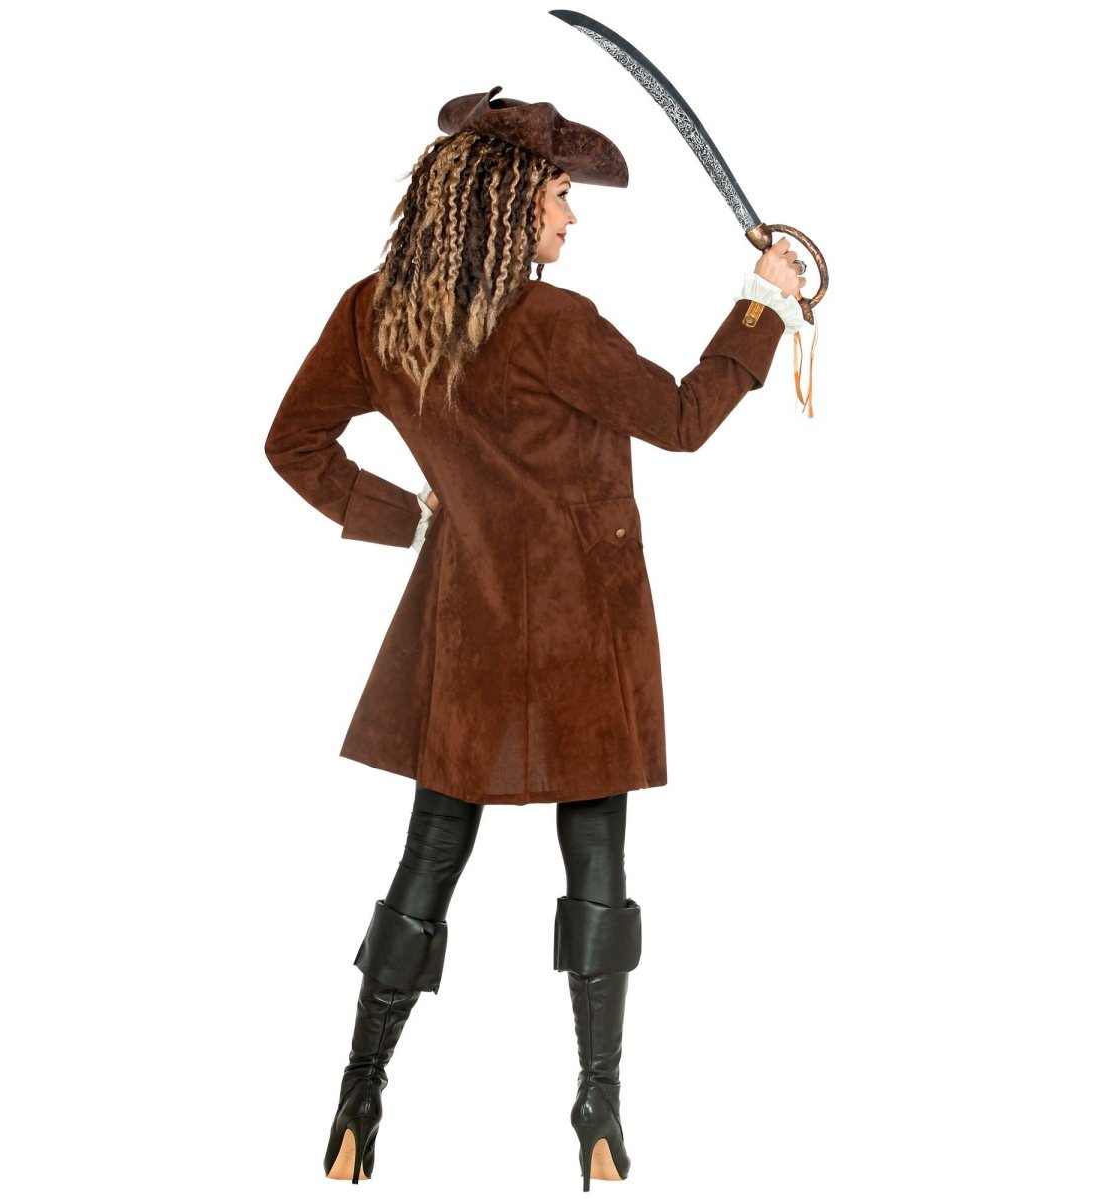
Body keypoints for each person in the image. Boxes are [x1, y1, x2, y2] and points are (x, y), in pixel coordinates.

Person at [264, 85, 804, 1190]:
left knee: (427, 859)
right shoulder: (556, 325)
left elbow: (295, 443)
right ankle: (599, 1111)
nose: (572, 215)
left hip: (463, 626)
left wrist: (408, 518)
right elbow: (684, 419)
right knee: (597, 862)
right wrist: (764, 302)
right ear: (511, 205)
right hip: (582, 634)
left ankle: (357, 1098)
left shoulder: (377, 314)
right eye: (560, 194)